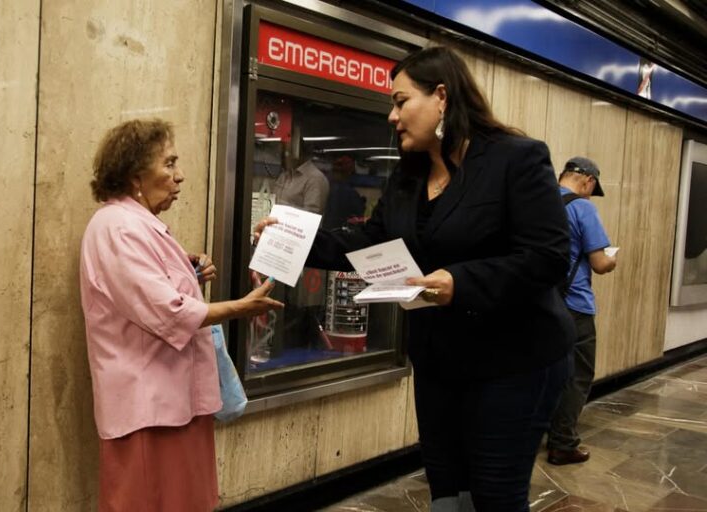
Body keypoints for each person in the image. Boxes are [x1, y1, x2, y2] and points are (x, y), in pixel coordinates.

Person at [255, 46, 574, 511]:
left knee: (494, 495)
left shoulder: (515, 159)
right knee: (446, 490)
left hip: (514, 362)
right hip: (439, 360)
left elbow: (548, 257)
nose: (392, 115)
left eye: (401, 101)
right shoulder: (408, 177)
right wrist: (294, 237)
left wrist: (460, 282)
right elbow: (368, 244)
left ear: (441, 96)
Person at [79, 119, 283, 512]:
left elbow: (154, 296)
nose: (180, 176)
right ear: (136, 173)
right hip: (148, 409)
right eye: (169, 164)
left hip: (174, 402)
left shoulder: (140, 225)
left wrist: (188, 272)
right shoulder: (117, 227)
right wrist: (243, 307)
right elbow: (167, 311)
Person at [547, 157, 617, 465]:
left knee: (543, 372)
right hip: (574, 305)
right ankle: (562, 443)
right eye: (592, 188)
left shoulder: (539, 201)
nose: (590, 193)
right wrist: (612, 258)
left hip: (541, 304)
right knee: (577, 375)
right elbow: (600, 263)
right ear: (587, 180)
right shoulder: (583, 208)